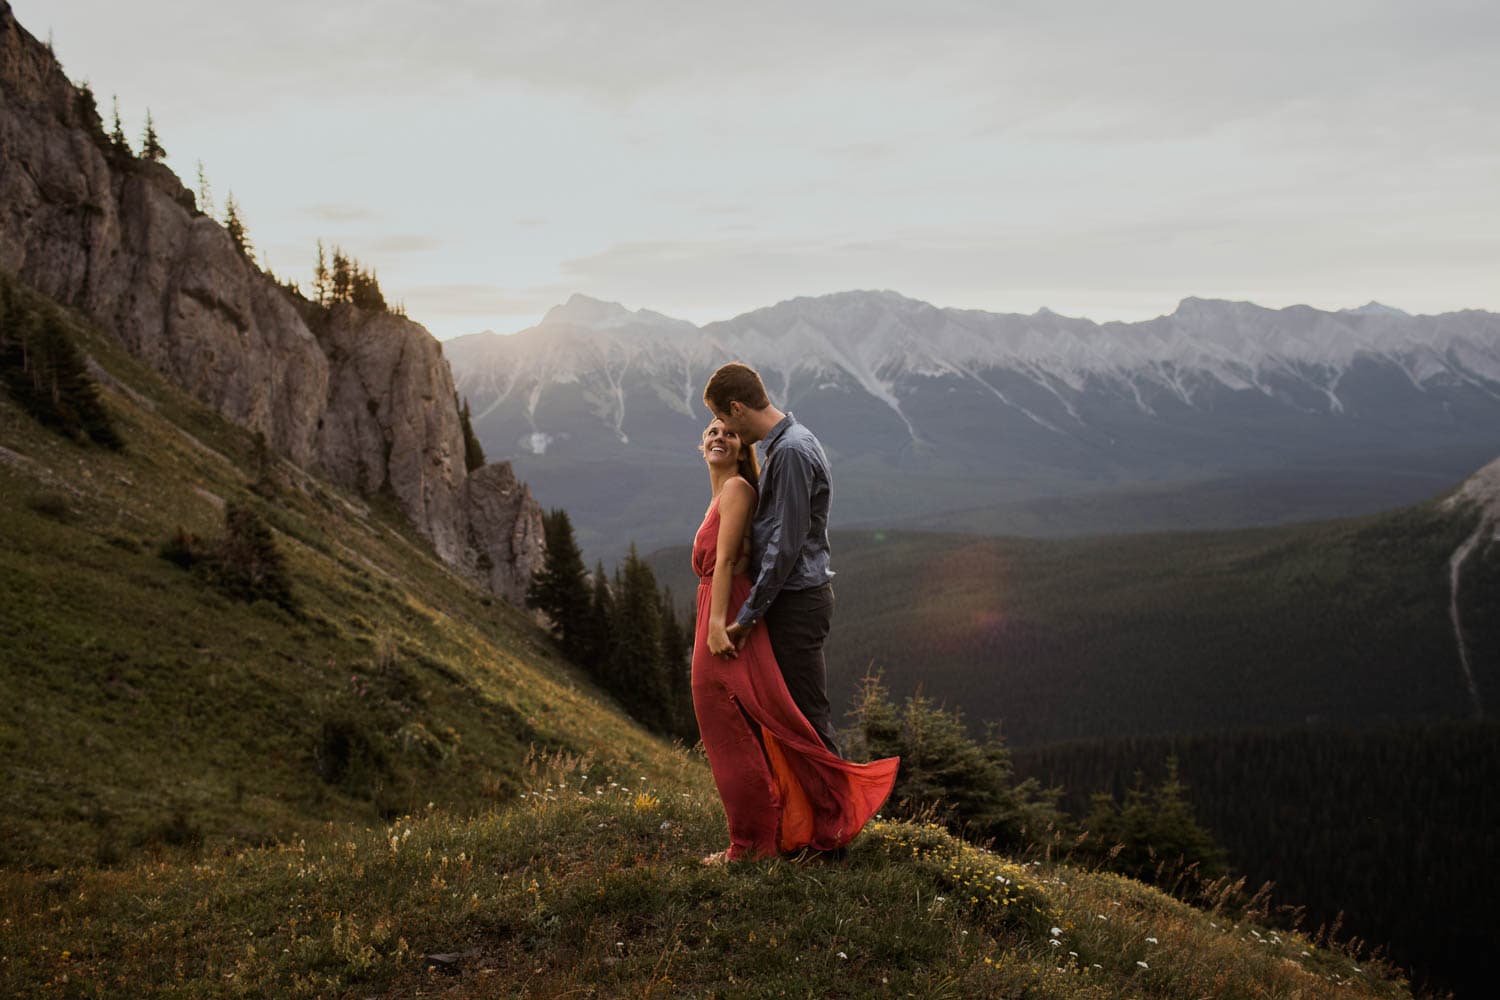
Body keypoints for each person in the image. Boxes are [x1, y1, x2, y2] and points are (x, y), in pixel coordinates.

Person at [691, 416, 898, 864]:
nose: (719, 436)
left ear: (744, 443)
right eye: (711, 431)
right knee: (751, 727)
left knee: (756, 726)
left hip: (727, 613)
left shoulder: (738, 490)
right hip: (722, 609)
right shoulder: (724, 493)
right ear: (699, 445)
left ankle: (764, 842)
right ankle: (777, 833)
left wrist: (721, 624)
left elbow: (727, 561)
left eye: (728, 431)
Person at [702, 362, 841, 755]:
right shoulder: (788, 444)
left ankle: (842, 812)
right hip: (792, 599)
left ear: (737, 407)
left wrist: (747, 617)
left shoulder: (792, 451)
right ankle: (815, 812)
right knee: (790, 714)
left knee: (807, 717)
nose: (729, 430)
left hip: (797, 602)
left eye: (723, 418)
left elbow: (786, 545)